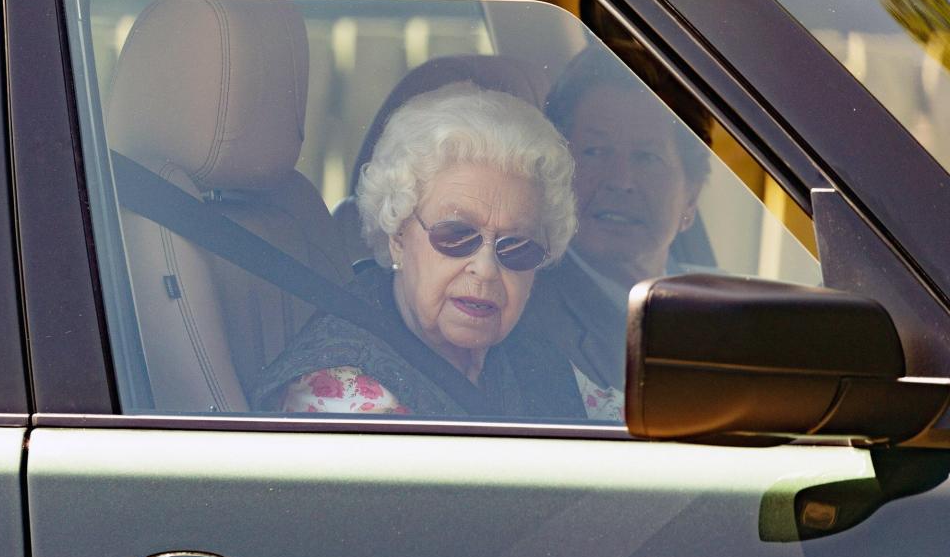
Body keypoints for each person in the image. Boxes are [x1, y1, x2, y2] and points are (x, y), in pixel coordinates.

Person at [253, 83, 583, 418]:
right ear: (397, 234)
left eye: (517, 247)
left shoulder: (531, 355)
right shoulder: (341, 394)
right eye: (456, 235)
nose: (485, 268)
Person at [521, 40, 714, 420]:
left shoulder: (715, 300)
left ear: (690, 196)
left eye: (646, 157)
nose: (621, 180)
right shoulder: (526, 317)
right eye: (595, 151)